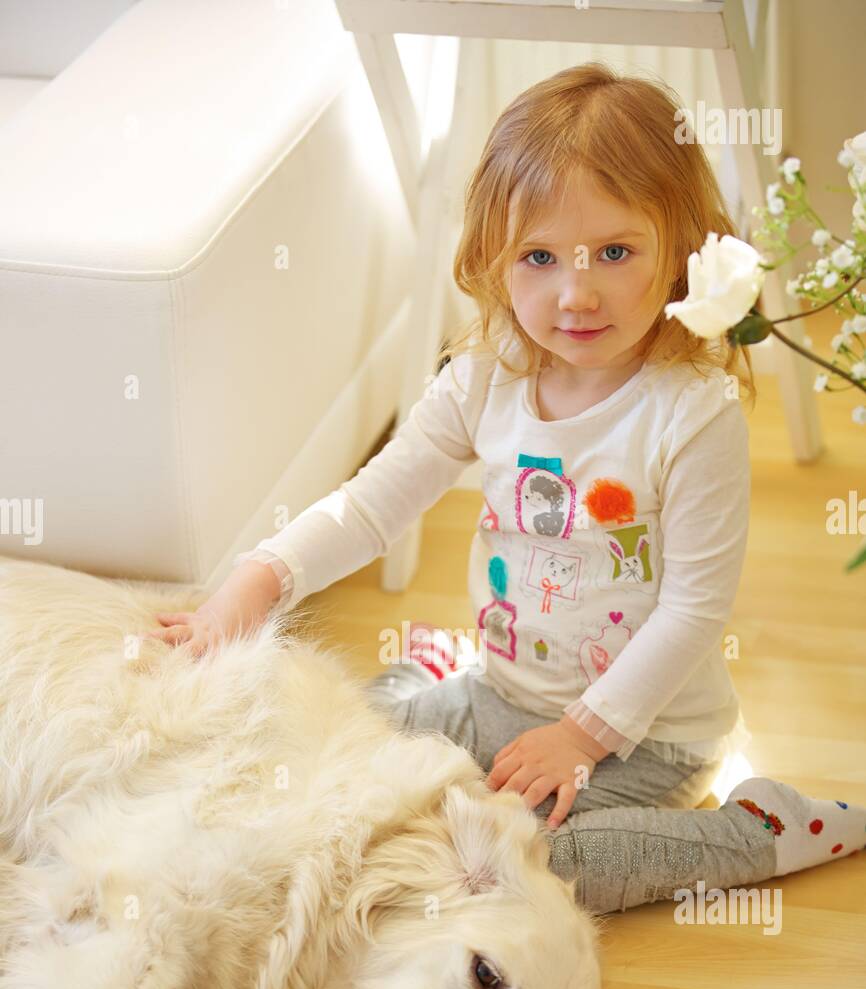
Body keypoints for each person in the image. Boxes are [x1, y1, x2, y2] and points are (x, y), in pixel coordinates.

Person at [145, 62, 864, 915]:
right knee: (326, 753)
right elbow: (370, 507)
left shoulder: (691, 413)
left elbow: (693, 610)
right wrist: (256, 582)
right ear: (495, 260)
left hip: (650, 741)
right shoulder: (484, 378)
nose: (577, 291)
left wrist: (579, 737)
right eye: (540, 256)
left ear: (677, 252)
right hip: (498, 696)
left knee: (527, 871)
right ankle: (425, 678)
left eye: (616, 252)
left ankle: (766, 832)